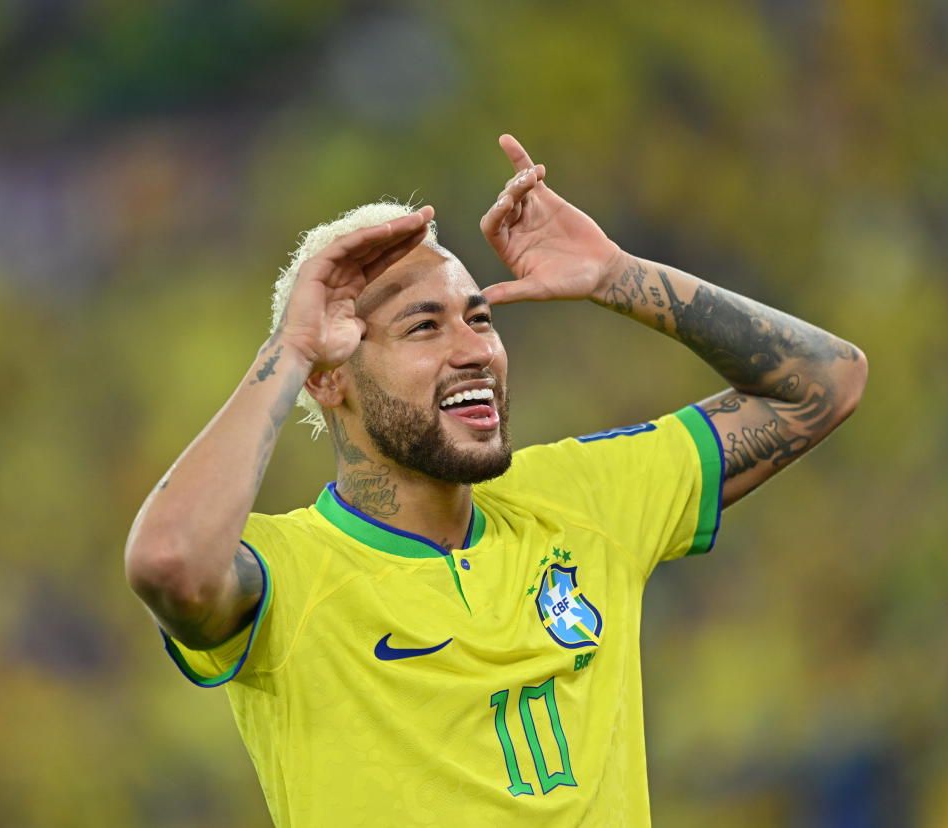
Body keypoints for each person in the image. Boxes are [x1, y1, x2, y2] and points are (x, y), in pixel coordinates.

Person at [124, 134, 867, 826]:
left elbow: (825, 382)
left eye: (480, 319)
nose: (473, 349)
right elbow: (169, 563)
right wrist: (288, 347)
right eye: (424, 327)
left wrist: (617, 276)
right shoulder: (287, 576)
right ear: (327, 378)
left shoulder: (582, 496)